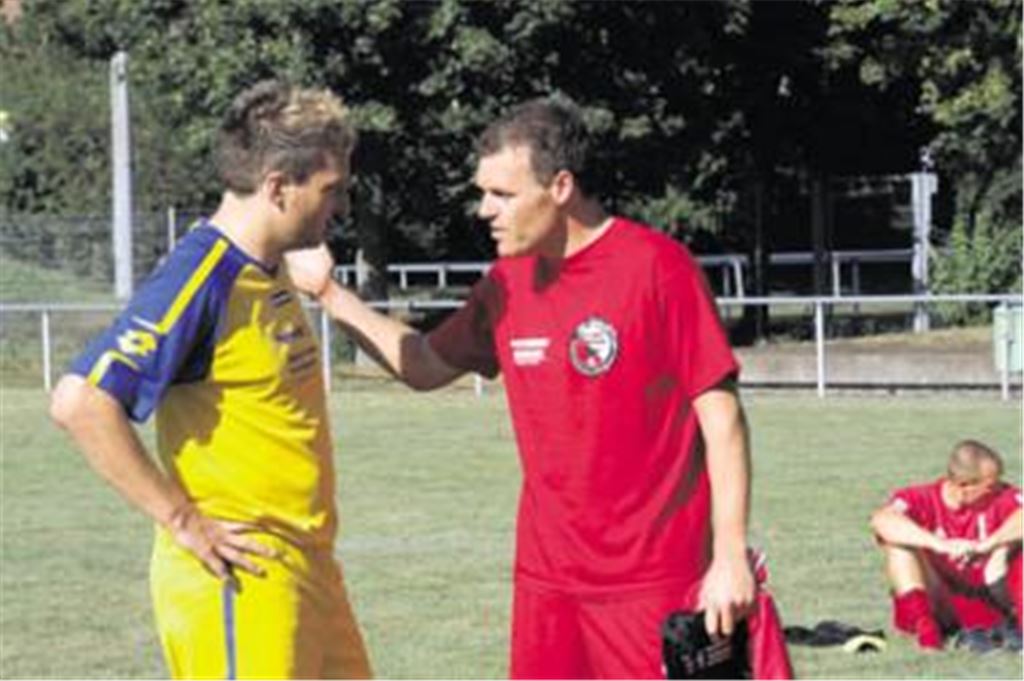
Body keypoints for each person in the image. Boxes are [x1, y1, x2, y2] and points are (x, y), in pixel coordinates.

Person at [285, 96, 793, 678]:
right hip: (548, 584)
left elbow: (722, 419)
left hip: (653, 579)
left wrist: (729, 555)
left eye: (502, 195)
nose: (484, 210)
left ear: (560, 187)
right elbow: (423, 364)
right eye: (483, 193)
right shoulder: (506, 284)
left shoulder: (658, 267)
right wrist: (329, 294)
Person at [49, 80, 372, 679]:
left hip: (311, 571)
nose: (342, 207)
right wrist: (183, 521)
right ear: (278, 187)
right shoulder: (201, 275)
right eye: (332, 190)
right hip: (242, 577)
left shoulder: (267, 267)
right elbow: (81, 401)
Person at [871, 439, 1023, 651]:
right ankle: (926, 629)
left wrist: (990, 544)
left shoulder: (1002, 497)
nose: (998, 488)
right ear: (963, 486)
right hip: (938, 601)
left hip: (989, 601)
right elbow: (881, 520)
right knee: (898, 547)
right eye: (991, 485)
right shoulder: (919, 497)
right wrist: (940, 544)